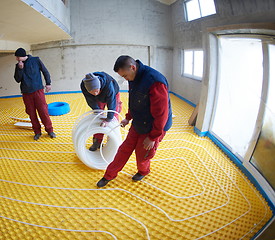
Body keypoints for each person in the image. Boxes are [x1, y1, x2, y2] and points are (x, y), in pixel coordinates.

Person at [97, 55, 172, 187]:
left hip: (154, 126)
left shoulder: (155, 82)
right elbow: (135, 101)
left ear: (132, 67)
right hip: (139, 122)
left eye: (125, 75)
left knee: (143, 154)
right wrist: (128, 117)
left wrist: (153, 137)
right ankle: (108, 175)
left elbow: (161, 114)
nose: (125, 79)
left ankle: (143, 171)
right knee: (124, 149)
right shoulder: (133, 77)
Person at [14, 48, 56, 141]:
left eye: (17, 57)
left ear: (21, 56)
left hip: (38, 91)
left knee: (43, 111)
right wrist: (20, 69)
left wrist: (48, 83)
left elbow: (45, 71)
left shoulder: (36, 60)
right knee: (31, 113)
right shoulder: (18, 66)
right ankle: (37, 132)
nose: (16, 59)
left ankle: (50, 130)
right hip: (26, 93)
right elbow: (17, 79)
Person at [80, 72, 122, 151]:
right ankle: (97, 141)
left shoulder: (108, 85)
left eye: (96, 91)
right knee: (99, 117)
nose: (95, 94)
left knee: (113, 118)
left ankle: (112, 142)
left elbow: (112, 103)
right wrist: (97, 111)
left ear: (99, 86)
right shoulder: (84, 86)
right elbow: (90, 101)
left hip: (113, 95)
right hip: (100, 97)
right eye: (92, 92)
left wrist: (108, 119)